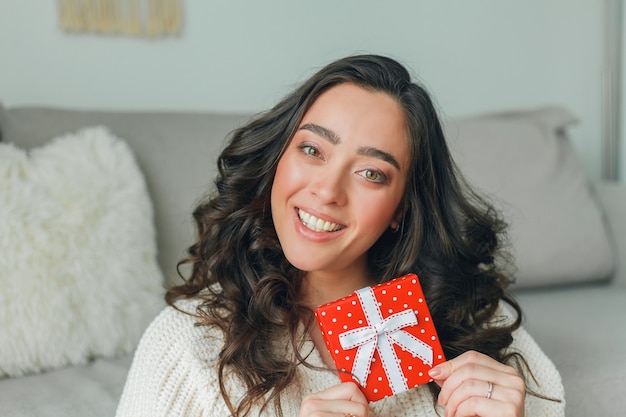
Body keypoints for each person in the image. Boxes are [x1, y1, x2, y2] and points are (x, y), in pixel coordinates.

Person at [115, 54, 564, 417]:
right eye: (312, 149)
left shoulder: (482, 326)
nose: (327, 191)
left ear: (400, 209)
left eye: (371, 173)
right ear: (277, 159)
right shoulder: (186, 344)